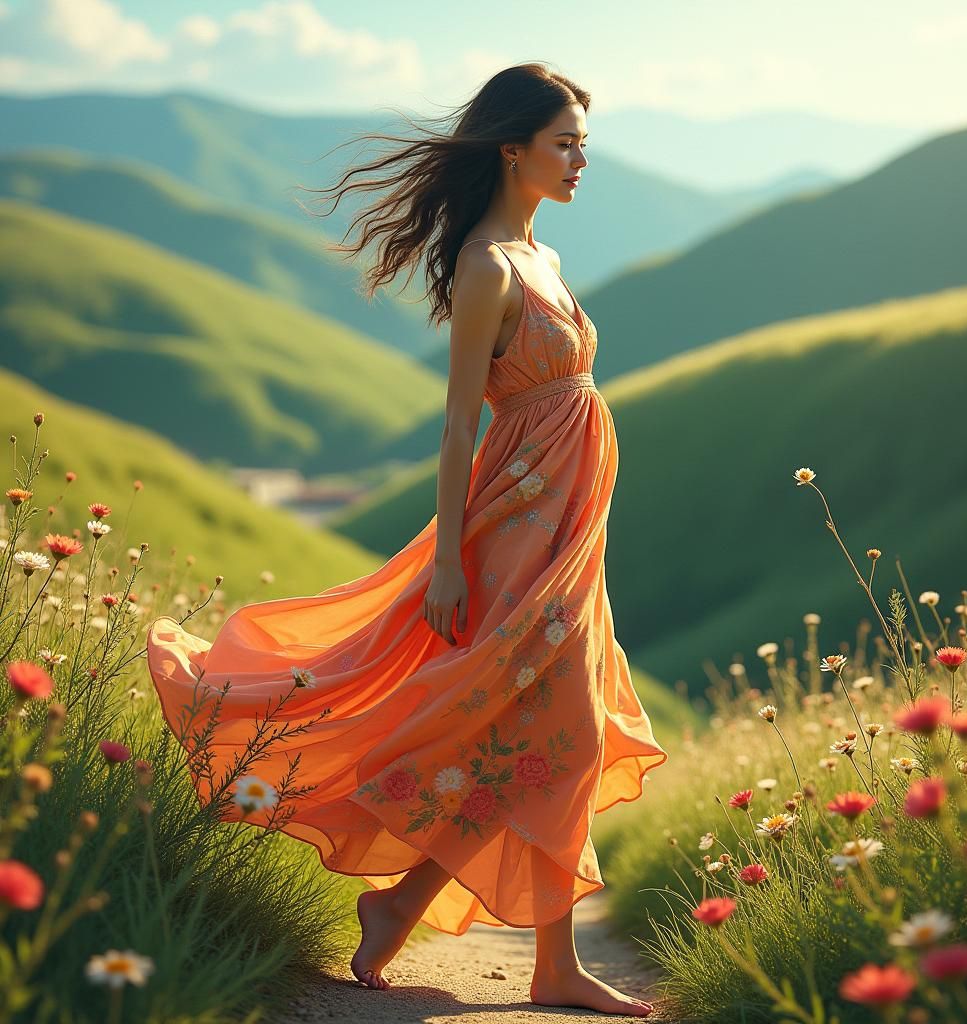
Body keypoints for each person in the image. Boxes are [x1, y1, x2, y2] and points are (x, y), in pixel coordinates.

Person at [146, 62, 667, 1017]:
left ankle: (405, 905)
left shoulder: (540, 257)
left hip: (567, 532)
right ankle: (543, 963)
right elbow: (460, 423)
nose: (581, 159)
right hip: (515, 532)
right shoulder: (488, 267)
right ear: (513, 148)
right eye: (565, 142)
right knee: (566, 733)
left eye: (583, 141)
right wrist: (447, 559)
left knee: (540, 736)